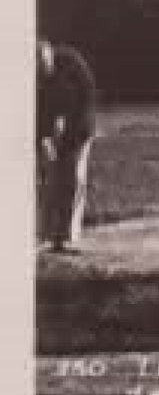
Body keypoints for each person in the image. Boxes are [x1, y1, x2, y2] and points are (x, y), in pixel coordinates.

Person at [37, 39, 97, 254]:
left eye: (44, 62)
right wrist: (43, 138)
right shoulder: (34, 78)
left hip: (79, 129)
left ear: (49, 52)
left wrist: (70, 133)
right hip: (50, 132)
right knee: (49, 182)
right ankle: (46, 236)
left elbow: (88, 97)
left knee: (73, 179)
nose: (43, 70)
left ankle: (69, 237)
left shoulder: (71, 62)